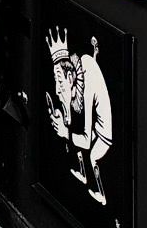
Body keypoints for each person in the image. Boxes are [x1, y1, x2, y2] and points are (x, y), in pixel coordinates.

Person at [47, 27, 113, 206]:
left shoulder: (87, 83)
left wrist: (65, 132)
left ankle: (100, 193)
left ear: (70, 78)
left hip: (103, 133)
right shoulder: (81, 70)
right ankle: (82, 172)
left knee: (92, 156)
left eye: (60, 81)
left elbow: (85, 140)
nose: (57, 89)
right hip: (95, 126)